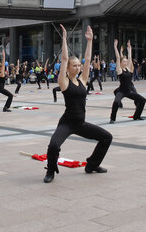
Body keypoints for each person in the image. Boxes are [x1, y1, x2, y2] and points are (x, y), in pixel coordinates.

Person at [44, 24, 112, 183]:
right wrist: (64, 39)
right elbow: (64, 58)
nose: (78, 67)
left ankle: (92, 165)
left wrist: (89, 41)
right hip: (67, 123)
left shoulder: (82, 80)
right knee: (53, 145)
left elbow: (87, 60)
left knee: (106, 137)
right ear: (67, 68)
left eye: (79, 65)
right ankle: (51, 171)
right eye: (75, 66)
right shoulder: (64, 82)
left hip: (80, 123)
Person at [110, 39, 146, 122]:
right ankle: (112, 119)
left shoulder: (129, 68)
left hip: (129, 91)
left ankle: (136, 116)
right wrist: (115, 47)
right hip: (121, 91)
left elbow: (130, 57)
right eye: (124, 61)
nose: (126, 63)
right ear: (121, 62)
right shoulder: (119, 70)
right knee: (116, 102)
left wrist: (129, 48)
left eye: (126, 61)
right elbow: (118, 57)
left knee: (143, 100)